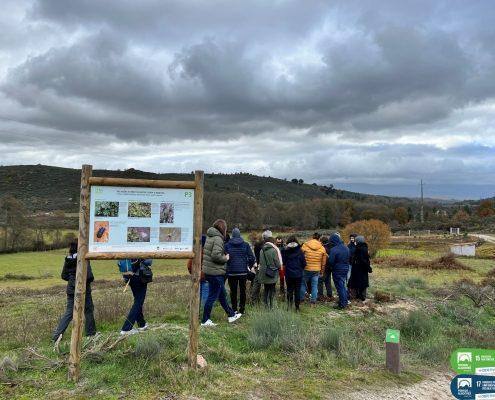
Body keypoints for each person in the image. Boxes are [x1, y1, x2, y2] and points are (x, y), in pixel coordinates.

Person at [52, 241, 96, 342]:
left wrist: (72, 279)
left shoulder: (68, 259)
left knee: (69, 313)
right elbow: (89, 276)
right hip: (84, 288)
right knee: (88, 310)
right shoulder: (84, 258)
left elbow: (64, 276)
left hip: (71, 289)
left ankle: (56, 336)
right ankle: (91, 333)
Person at [201, 219, 242, 327]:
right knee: (212, 296)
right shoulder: (218, 239)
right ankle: (205, 320)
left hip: (209, 271)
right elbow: (215, 255)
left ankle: (231, 315)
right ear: (223, 228)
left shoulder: (210, 236)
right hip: (215, 272)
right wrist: (226, 258)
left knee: (222, 295)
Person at [225, 228, 255, 314]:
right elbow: (252, 257)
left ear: (232, 235)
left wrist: (228, 265)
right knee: (242, 291)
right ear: (240, 235)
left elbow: (224, 257)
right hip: (243, 272)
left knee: (233, 291)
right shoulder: (245, 245)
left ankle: (234, 309)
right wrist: (248, 266)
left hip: (231, 272)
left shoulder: (227, 245)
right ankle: (242, 309)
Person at [119, 258, 152, 335]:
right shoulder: (141, 247)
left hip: (128, 276)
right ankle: (126, 328)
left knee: (137, 300)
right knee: (139, 302)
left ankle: (142, 324)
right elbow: (148, 261)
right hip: (140, 276)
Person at [300, 233, 327, 306]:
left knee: (302, 283)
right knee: (314, 285)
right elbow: (323, 262)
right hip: (316, 269)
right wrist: (322, 272)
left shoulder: (305, 245)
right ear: (319, 238)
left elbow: (300, 257)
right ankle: (313, 302)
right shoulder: (322, 248)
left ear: (312, 237)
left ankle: (301, 299)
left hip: (306, 268)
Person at [257, 230, 282, 308]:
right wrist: (278, 267)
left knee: (266, 290)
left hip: (264, 273)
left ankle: (266, 305)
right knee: (272, 290)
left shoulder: (262, 250)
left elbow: (260, 261)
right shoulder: (274, 250)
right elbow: (277, 263)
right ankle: (271, 306)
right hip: (272, 273)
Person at [282, 236, 306, 311]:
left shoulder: (285, 251)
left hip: (289, 274)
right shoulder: (300, 251)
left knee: (289, 290)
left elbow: (284, 262)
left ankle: (289, 306)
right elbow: (304, 263)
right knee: (297, 291)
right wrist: (301, 268)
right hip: (298, 274)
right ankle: (297, 307)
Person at [328, 233, 350, 309]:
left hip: (337, 270)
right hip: (346, 268)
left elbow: (331, 261)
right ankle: (345, 300)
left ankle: (342, 304)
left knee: (340, 286)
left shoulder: (334, 250)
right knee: (343, 285)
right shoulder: (346, 248)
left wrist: (331, 266)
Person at [187, 234, 209, 308]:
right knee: (205, 297)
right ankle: (203, 313)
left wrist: (192, 273)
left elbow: (189, 265)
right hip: (206, 277)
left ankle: (195, 310)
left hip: (196, 277)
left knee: (195, 295)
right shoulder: (208, 253)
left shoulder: (195, 253)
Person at [348, 236, 372, 301]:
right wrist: (368, 267)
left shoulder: (359, 248)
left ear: (358, 241)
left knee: (357, 282)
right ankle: (360, 296)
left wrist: (368, 267)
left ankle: (358, 296)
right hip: (362, 269)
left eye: (356, 241)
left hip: (359, 268)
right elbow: (366, 259)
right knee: (362, 283)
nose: (355, 242)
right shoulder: (364, 248)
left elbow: (363, 259)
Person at [250, 233, 264, 304]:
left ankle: (254, 299)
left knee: (256, 283)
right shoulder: (263, 246)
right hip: (263, 266)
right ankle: (263, 299)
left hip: (258, 266)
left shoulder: (256, 247)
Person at [317, 236, 333, 300]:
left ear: (322, 242)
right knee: (328, 281)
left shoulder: (322, 249)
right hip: (330, 267)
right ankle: (330, 295)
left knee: (320, 281)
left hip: (324, 267)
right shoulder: (331, 247)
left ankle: (320, 295)